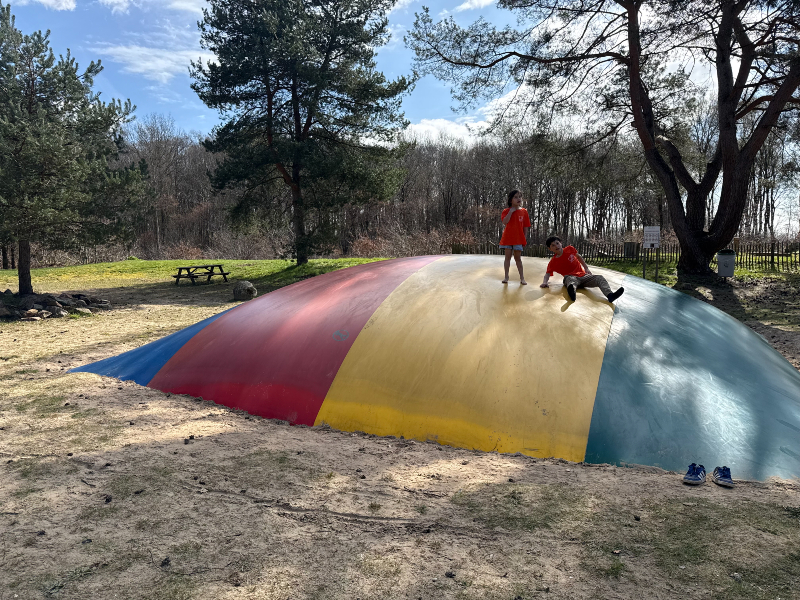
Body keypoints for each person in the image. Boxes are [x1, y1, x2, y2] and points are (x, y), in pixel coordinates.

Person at [540, 236, 625, 303]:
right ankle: (572, 293)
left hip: (583, 276)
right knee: (570, 279)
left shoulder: (570, 249)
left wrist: (586, 268)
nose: (556, 246)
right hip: (570, 277)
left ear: (561, 243)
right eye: (553, 245)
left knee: (599, 278)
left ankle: (610, 295)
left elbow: (579, 257)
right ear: (550, 249)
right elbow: (547, 274)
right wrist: (544, 283)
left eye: (557, 243)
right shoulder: (553, 262)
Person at [500, 190, 531, 285]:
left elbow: (526, 226)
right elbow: (505, 222)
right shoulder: (506, 211)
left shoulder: (524, 211)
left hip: (518, 239)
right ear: (511, 200)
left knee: (518, 258)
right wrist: (511, 211)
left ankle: (522, 278)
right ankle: (506, 277)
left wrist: (524, 239)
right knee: (507, 258)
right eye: (515, 197)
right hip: (508, 238)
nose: (518, 199)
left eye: (520, 197)